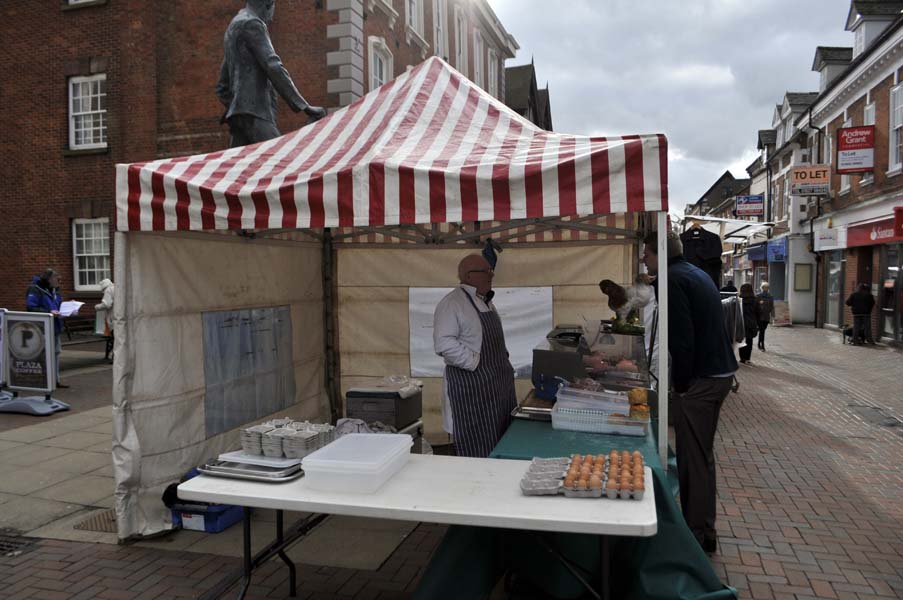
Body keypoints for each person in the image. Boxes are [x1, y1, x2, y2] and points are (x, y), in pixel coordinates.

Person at [642, 231, 738, 553]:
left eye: (646, 252)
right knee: (700, 456)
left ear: (659, 254)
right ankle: (702, 527)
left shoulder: (672, 280)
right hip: (719, 374)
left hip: (703, 378)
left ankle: (697, 534)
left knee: (692, 458)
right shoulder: (694, 272)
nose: (643, 257)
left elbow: (681, 340)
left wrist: (680, 387)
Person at [433, 255, 516, 458]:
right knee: (476, 449)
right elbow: (444, 344)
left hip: (498, 391)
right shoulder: (452, 303)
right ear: (469, 276)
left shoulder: (485, 302)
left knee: (500, 443)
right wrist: (475, 363)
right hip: (471, 392)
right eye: (486, 271)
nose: (491, 275)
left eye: (491, 271)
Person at [216, 0, 327, 147]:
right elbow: (273, 66)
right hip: (256, 112)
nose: (271, 19)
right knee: (279, 160)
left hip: (238, 117)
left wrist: (238, 107)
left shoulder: (233, 27)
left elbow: (222, 86)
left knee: (240, 168)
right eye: (272, 11)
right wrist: (304, 107)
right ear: (267, 5)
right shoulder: (254, 24)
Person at [25, 269, 67, 388]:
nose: (59, 281)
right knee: (43, 355)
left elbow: (58, 306)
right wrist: (49, 312)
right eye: (57, 279)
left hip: (55, 327)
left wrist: (68, 308)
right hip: (42, 329)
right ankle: (43, 381)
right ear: (49, 279)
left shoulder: (55, 291)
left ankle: (55, 380)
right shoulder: (35, 289)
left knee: (56, 353)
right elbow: (31, 308)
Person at [737, 284, 760, 364]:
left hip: (741, 322)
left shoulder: (739, 300)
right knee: (749, 341)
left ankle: (742, 358)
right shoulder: (755, 300)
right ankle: (747, 358)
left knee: (741, 340)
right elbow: (758, 312)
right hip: (751, 323)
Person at [95, 278, 115, 361]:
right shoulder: (116, 288)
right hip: (119, 317)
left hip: (113, 318)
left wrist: (97, 307)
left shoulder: (108, 290)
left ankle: (115, 358)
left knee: (115, 339)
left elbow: (106, 304)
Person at [755, 282, 775, 351]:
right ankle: (762, 345)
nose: (766, 289)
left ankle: (758, 342)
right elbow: (755, 306)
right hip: (759, 317)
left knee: (762, 330)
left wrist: (773, 316)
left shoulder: (770, 297)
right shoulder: (758, 296)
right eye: (764, 287)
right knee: (762, 331)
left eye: (767, 287)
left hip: (766, 317)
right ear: (762, 288)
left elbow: (772, 307)